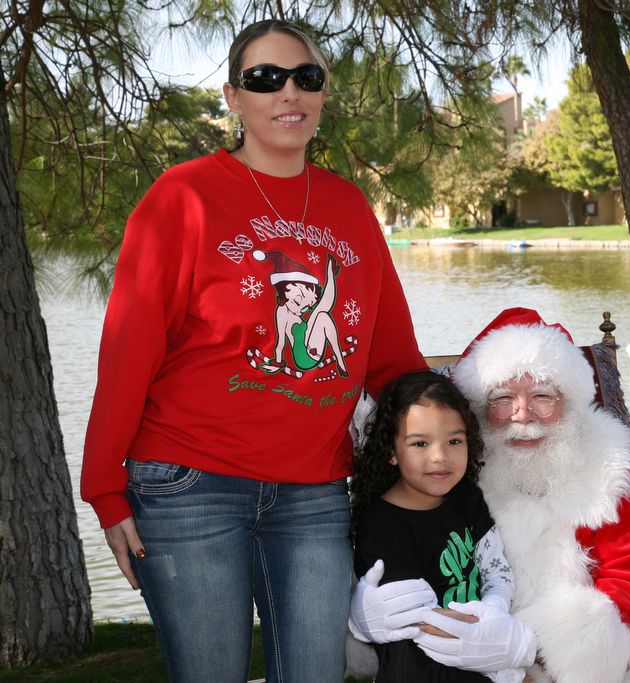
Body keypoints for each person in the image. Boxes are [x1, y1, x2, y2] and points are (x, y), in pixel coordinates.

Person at [80, 19, 424, 682]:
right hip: (189, 485)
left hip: (315, 490)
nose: (288, 92)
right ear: (234, 97)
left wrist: (450, 438)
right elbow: (128, 349)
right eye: (265, 79)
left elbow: (392, 360)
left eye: (306, 77)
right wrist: (104, 487)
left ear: (323, 94)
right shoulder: (181, 198)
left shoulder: (349, 208)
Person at [351, 308, 630, 682]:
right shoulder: (450, 466)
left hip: (605, 647)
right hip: (472, 646)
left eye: (542, 396)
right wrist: (363, 618)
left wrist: (536, 645)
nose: (522, 415)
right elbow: (406, 542)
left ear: (570, 398)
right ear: (478, 405)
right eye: (502, 399)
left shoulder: (610, 465)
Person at [350, 370, 526, 683]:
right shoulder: (380, 524)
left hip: (482, 653)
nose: (440, 457)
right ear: (392, 451)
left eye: (454, 441)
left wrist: (493, 615)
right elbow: (419, 621)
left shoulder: (468, 498)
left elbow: (496, 570)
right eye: (420, 443)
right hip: (420, 667)